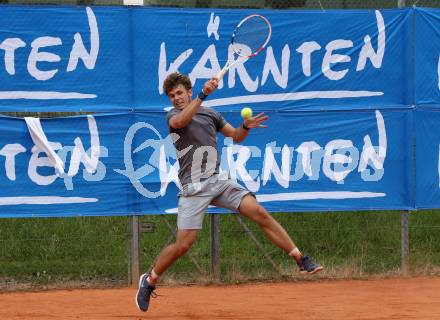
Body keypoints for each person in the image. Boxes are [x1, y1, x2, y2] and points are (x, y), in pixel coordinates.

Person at [136, 72, 323, 312]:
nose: (176, 98)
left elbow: (236, 137)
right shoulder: (173, 116)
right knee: (183, 245)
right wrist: (203, 95)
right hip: (193, 187)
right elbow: (182, 121)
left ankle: (300, 258)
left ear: (188, 91)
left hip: (218, 180)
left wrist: (245, 126)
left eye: (180, 93)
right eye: (172, 95)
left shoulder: (210, 113)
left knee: (259, 212)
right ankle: (149, 280)